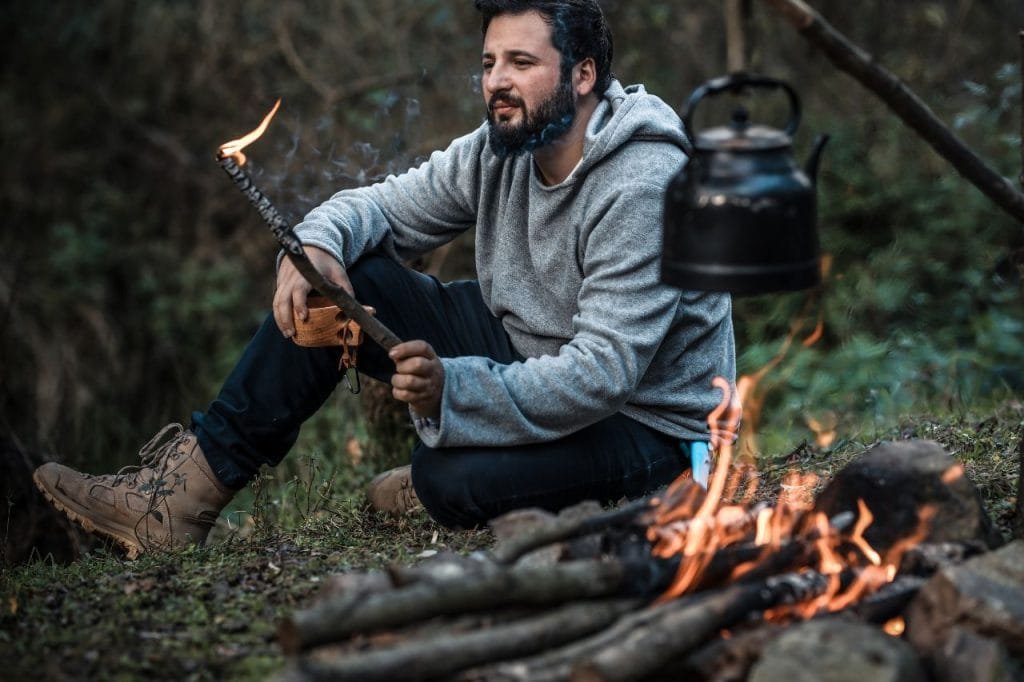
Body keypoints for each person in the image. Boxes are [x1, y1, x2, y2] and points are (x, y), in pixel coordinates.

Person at [34, 0, 736, 558]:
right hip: (531, 347)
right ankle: (181, 498)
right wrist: (313, 245)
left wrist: (455, 391)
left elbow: (604, 371)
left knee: (447, 481)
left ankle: (492, 467)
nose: (496, 81)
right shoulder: (501, 146)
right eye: (489, 62)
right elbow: (377, 206)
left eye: (521, 61)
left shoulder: (643, 184)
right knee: (339, 277)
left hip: (653, 424)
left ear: (583, 75)